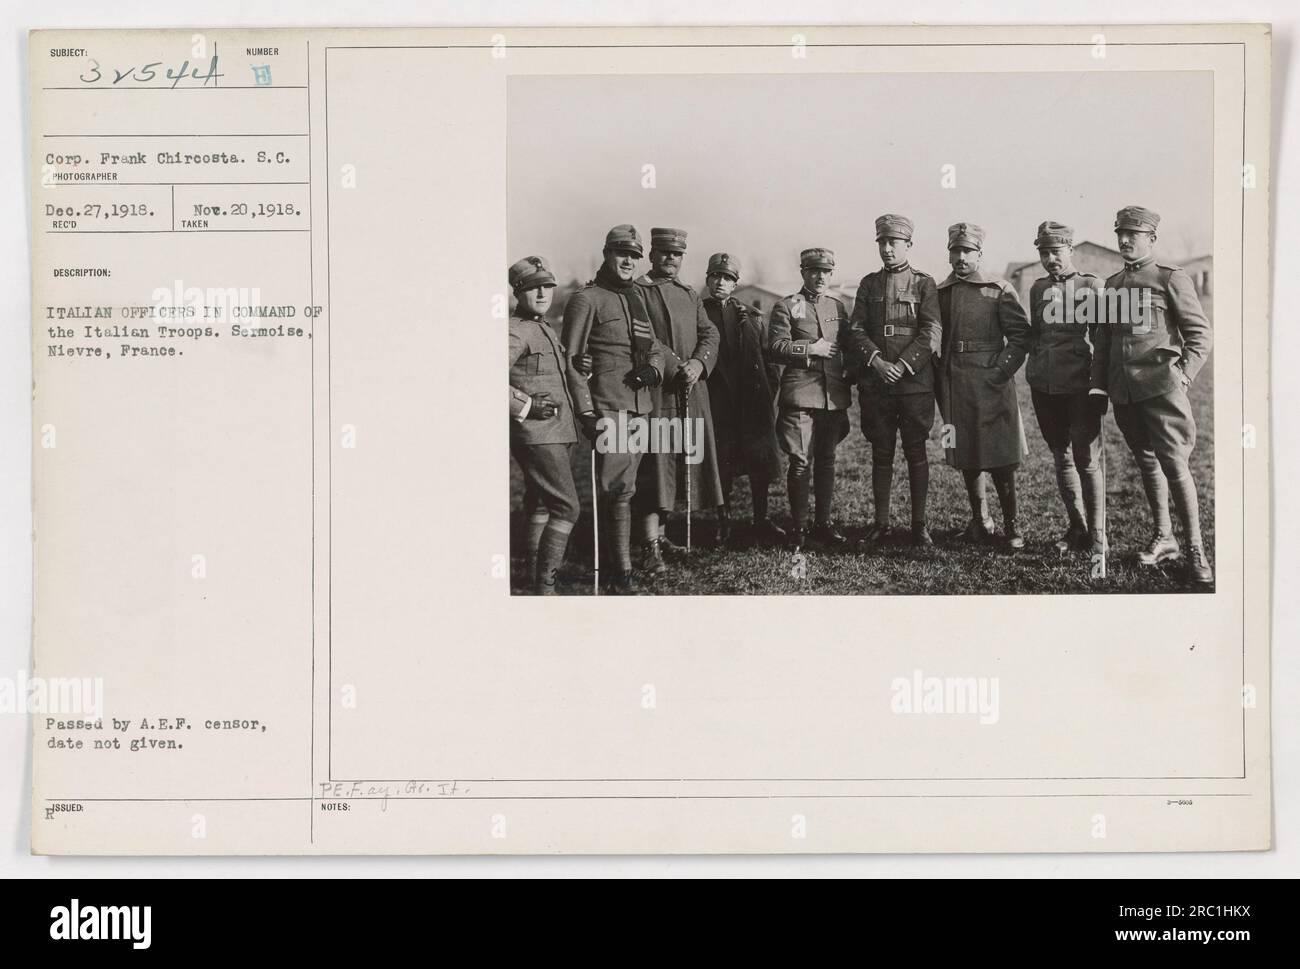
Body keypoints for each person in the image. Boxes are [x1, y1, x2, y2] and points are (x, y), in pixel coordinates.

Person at [1092, 205, 1213, 586]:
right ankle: (1165, 537)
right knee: (1147, 463)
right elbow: (1104, 340)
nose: (1125, 240)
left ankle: (1196, 549)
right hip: (1125, 392)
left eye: (1133, 234)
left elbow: (1200, 335)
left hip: (1162, 389)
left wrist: (1183, 375)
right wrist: (1100, 385)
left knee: (1175, 465)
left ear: (1151, 239)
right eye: (1120, 234)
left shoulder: (1170, 278)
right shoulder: (1111, 285)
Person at [560, 225, 665, 593]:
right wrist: (586, 411)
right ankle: (619, 571)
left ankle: (620, 559)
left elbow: (653, 345)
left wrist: (653, 367)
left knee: (630, 486)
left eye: (635, 256)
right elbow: (572, 361)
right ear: (606, 254)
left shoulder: (636, 297)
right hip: (609, 406)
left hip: (640, 407)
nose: (629, 261)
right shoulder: (586, 299)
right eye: (622, 253)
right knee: (618, 487)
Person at [843, 214, 942, 549]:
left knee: (916, 451)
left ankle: (919, 525)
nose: (886, 249)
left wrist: (901, 364)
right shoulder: (868, 284)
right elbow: (856, 329)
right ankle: (881, 524)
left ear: (908, 246)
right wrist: (876, 362)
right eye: (882, 243)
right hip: (877, 384)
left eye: (893, 243)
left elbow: (931, 332)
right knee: (881, 453)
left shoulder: (924, 283)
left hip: (914, 384)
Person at [934, 222, 1033, 550]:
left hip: (992, 382)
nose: (961, 257)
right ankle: (980, 521)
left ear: (980, 254)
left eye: (967, 251)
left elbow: (1020, 337)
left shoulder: (998, 289)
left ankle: (1012, 526)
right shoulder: (941, 292)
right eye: (955, 251)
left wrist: (1000, 372)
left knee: (1002, 456)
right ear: (949, 255)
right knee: (965, 452)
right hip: (955, 383)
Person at [631, 227, 724, 573]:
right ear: (653, 255)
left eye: (678, 254)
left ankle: (664, 535)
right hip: (657, 393)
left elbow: (709, 332)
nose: (671, 259)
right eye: (665, 253)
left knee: (681, 463)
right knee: (656, 466)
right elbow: (643, 336)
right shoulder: (638, 291)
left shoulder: (690, 294)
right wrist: (675, 366)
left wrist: (700, 363)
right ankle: (648, 543)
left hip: (691, 391)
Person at [508, 256, 594, 594]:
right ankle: (546, 588)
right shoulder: (515, 330)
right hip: (538, 434)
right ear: (518, 291)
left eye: (547, 285)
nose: (542, 293)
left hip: (557, 432)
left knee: (542, 502)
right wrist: (526, 405)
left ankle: (534, 574)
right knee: (567, 507)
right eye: (533, 287)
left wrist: (581, 368)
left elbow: (551, 376)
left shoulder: (543, 327)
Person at [1025, 221, 1108, 555]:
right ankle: (1077, 526)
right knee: (1061, 455)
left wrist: (1100, 387)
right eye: (1044, 252)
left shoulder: (1091, 285)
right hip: (1043, 384)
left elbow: (1102, 340)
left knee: (1087, 460)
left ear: (1070, 250)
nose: (1050, 259)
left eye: (1056, 251)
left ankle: (1099, 535)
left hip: (1080, 385)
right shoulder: (1037, 288)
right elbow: (1036, 334)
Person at [767, 247, 853, 551]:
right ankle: (800, 528)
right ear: (803, 272)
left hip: (832, 397)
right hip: (800, 396)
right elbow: (776, 346)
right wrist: (809, 350)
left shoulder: (838, 308)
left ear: (832, 274)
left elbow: (848, 347)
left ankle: (824, 524)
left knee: (827, 462)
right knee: (801, 462)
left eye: (826, 271)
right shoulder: (787, 306)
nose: (820, 277)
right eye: (814, 270)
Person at [701, 252, 786, 547]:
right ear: (708, 279)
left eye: (728, 278)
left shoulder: (751, 316)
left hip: (752, 402)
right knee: (721, 462)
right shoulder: (699, 313)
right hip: (718, 402)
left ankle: (761, 519)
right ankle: (723, 521)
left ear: (735, 283)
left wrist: (768, 393)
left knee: (759, 462)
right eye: (716, 276)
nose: (721, 282)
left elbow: (768, 359)